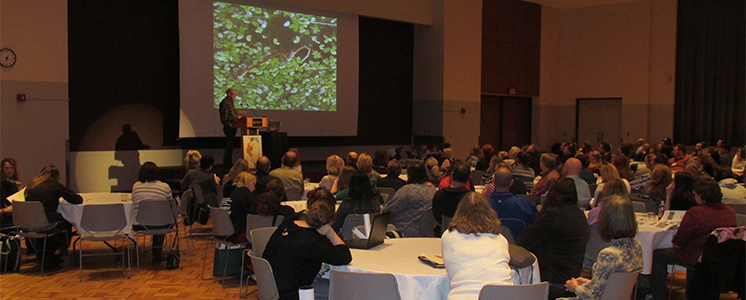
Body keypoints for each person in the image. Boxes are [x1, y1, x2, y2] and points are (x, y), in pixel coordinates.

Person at [648, 177, 737, 300]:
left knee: (656, 255)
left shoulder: (695, 213)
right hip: (720, 256)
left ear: (701, 195)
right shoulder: (730, 211)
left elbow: (678, 242)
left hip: (696, 256)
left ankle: (659, 296)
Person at [263, 188, 352, 300]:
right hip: (293, 293)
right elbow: (345, 257)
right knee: (344, 292)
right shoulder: (312, 240)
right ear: (329, 222)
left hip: (270, 286)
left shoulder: (289, 222)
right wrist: (331, 233)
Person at [519, 178, 590, 300]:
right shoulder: (580, 215)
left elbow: (525, 241)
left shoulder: (552, 216)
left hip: (552, 280)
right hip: (573, 278)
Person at [563, 195, 644, 300]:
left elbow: (591, 296)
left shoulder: (609, 255)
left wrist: (575, 287)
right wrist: (589, 283)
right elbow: (615, 287)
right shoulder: (637, 247)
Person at [441, 192, 512, 300]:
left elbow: (451, 273)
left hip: (464, 296)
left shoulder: (449, 236)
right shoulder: (500, 238)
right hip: (504, 295)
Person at [24, 165, 83, 266]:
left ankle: (45, 253)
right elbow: (76, 199)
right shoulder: (55, 185)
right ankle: (61, 248)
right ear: (56, 176)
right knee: (66, 220)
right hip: (47, 222)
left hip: (30, 223)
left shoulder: (32, 184)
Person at [131, 162, 176, 263]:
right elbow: (170, 205)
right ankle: (157, 255)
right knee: (160, 221)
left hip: (140, 224)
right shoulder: (165, 187)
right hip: (161, 224)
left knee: (154, 220)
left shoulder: (136, 186)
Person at [383, 162, 437, 237]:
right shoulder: (433, 190)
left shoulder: (407, 190)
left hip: (402, 231)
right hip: (426, 233)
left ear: (409, 175)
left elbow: (388, 211)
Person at [486, 168, 538, 240]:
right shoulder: (524, 205)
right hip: (518, 248)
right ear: (511, 182)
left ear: (493, 181)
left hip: (488, 247)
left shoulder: (480, 206)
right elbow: (536, 227)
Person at [432, 161, 472, 233]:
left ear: (451, 175)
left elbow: (438, 220)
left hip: (443, 234)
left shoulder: (439, 195)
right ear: (468, 179)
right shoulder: (471, 199)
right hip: (466, 235)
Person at [227, 172, 258, 243]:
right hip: (236, 233)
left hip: (223, 230)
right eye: (253, 184)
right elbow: (255, 211)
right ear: (247, 182)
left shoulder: (230, 191)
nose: (254, 188)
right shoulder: (244, 192)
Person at [219, 88, 245, 167]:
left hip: (232, 126)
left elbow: (230, 113)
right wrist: (236, 118)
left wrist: (237, 112)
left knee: (230, 146)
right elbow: (225, 117)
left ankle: (228, 163)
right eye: (234, 94)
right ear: (229, 94)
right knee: (229, 146)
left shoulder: (229, 102)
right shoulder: (226, 102)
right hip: (229, 126)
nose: (235, 96)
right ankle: (227, 164)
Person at [0, 158, 21, 230]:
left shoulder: (15, 183)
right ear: (2, 169)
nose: (9, 171)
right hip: (6, 214)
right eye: (6, 168)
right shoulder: (2, 184)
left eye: (11, 168)